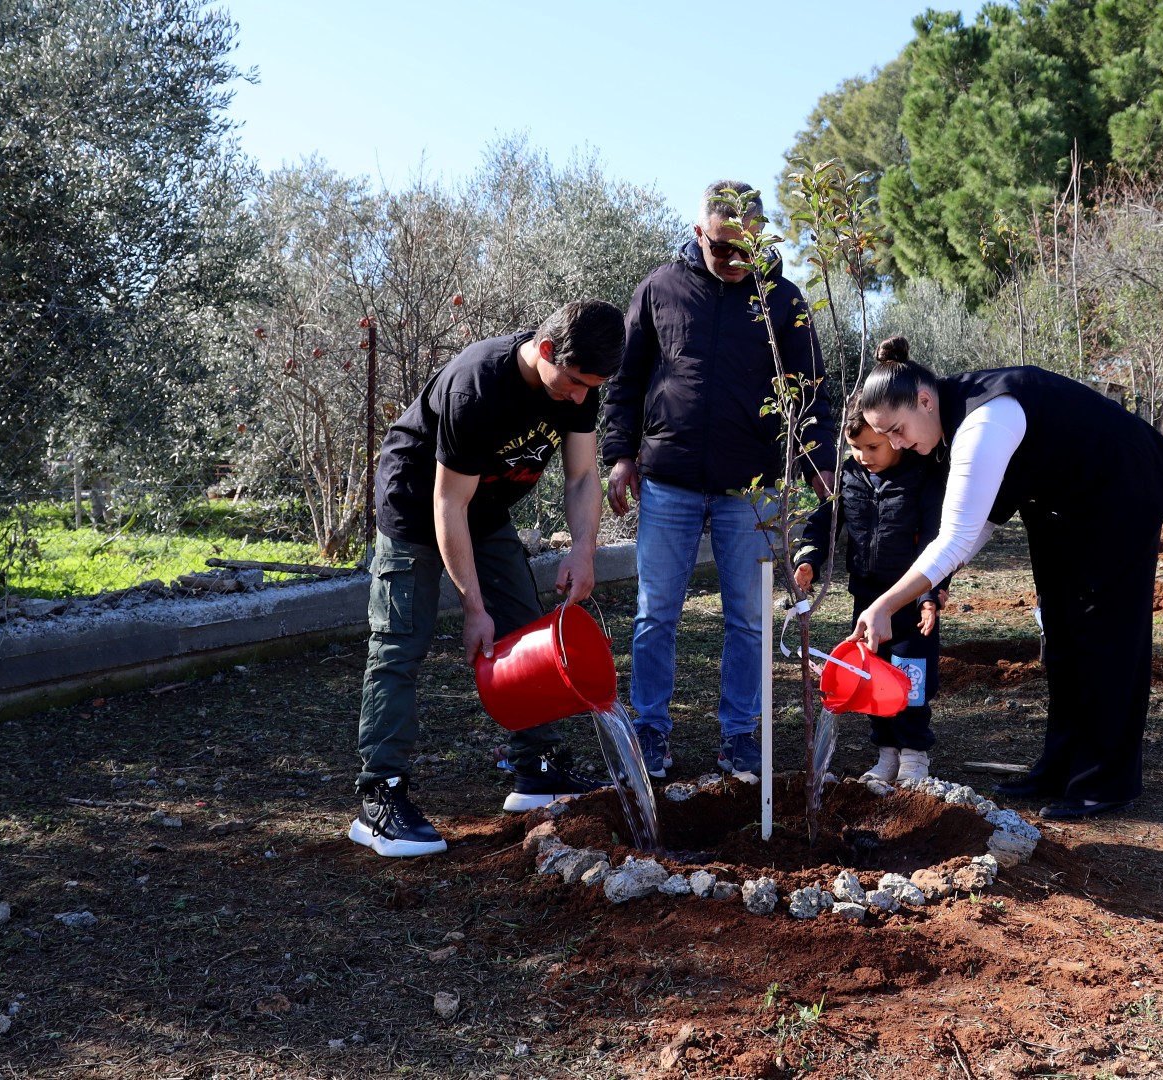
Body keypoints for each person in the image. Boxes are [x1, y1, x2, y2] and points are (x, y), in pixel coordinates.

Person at [848, 359, 1163, 819]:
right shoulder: (951, 423)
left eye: (896, 430)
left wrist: (886, 603)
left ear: (924, 401)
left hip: (1117, 494)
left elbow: (957, 538)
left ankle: (1105, 782)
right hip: (1059, 506)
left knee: (1106, 639)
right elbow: (977, 523)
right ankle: (1059, 768)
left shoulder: (983, 421)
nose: (895, 444)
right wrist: (935, 580)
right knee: (1062, 632)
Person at [351, 299, 626, 857]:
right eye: (575, 383)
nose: (581, 398)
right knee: (400, 644)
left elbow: (581, 477)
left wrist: (583, 550)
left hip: (485, 509)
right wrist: (473, 607)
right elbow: (447, 504)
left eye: (591, 388)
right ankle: (380, 796)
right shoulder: (477, 387)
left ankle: (538, 768)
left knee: (528, 630)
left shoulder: (580, 382)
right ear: (546, 350)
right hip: (416, 506)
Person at [603, 180, 836, 781]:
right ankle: (651, 731)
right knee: (655, 614)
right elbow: (626, 379)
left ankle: (740, 736)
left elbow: (811, 391)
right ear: (699, 233)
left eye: (745, 248)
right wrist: (620, 455)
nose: (734, 260)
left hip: (752, 488)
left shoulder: (784, 300)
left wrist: (819, 463)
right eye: (721, 246)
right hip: (668, 479)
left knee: (750, 619)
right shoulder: (659, 288)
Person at [794, 337, 950, 784]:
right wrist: (810, 559)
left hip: (912, 600)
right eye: (856, 449)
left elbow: (939, 538)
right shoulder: (850, 476)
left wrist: (932, 594)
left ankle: (914, 754)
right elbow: (825, 522)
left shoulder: (923, 477)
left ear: (895, 437)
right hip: (867, 599)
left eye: (873, 448)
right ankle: (885, 753)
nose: (864, 458)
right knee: (871, 675)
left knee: (912, 678)